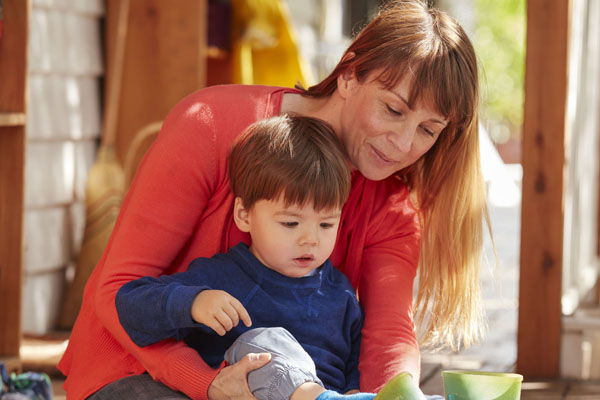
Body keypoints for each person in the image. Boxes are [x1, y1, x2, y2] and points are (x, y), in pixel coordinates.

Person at [58, 1, 489, 399]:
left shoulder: (394, 207)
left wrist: (399, 394)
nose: (402, 143)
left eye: (428, 130)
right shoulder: (209, 126)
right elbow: (116, 290)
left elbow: (387, 337)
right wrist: (208, 384)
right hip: (137, 371)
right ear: (348, 74)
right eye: (393, 110)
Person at [114, 115, 378, 400]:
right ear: (244, 215)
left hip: (328, 390)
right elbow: (131, 303)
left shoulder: (340, 292)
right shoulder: (222, 278)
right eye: (290, 223)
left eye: (326, 224)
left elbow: (355, 364)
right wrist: (193, 303)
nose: (310, 239)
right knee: (262, 344)